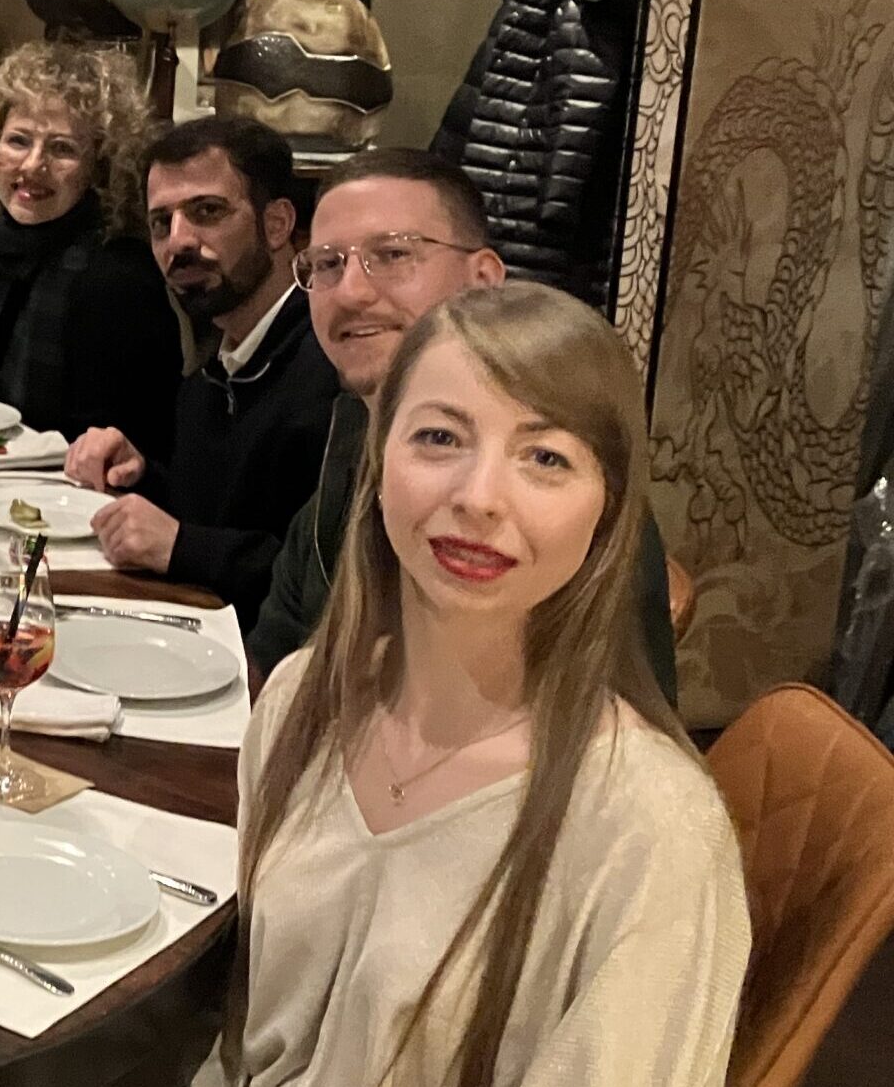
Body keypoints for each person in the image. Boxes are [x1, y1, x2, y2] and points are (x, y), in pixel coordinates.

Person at [67, 283, 749, 1087]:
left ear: (609, 510)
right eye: (439, 438)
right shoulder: (300, 706)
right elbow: (243, 1057)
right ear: (377, 461)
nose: (479, 496)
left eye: (545, 458)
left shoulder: (649, 833)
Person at [243, 147, 681, 701]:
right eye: (328, 264)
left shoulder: (557, 499)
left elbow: (608, 721)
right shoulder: (351, 434)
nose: (351, 292)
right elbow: (276, 654)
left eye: (393, 254)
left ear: (483, 280)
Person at [65, 115, 338, 613]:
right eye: (160, 223)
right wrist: (139, 475)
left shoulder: (330, 369)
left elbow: (326, 581)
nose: (178, 242)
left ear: (277, 224)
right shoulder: (215, 364)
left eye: (207, 211)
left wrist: (181, 546)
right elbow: (217, 516)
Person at [0, 42, 182, 457]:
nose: (32, 166)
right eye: (18, 141)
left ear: (101, 165)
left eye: (62, 149)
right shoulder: (3, 248)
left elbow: (134, 442)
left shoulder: (117, 276)